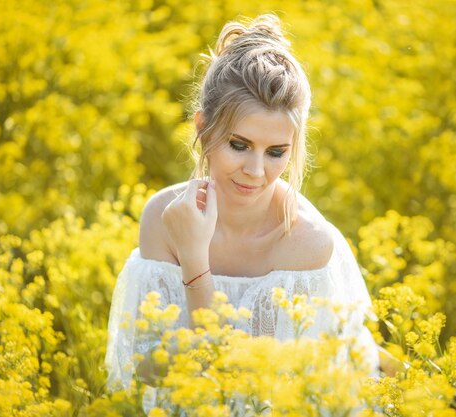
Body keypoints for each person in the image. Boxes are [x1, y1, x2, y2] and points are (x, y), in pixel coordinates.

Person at [105, 13, 383, 406]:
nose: (255, 171)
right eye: (239, 144)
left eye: (275, 152)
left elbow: (253, 388)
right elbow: (142, 371)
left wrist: (195, 263)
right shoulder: (162, 218)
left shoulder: (307, 243)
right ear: (203, 129)